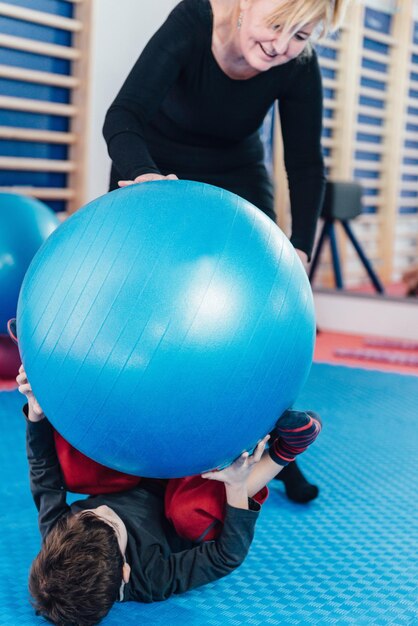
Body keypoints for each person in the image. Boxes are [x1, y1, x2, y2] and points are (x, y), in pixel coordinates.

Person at [103, 0, 346, 502]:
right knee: (139, 306)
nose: (282, 46)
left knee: (262, 315)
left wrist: (299, 247)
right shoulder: (195, 20)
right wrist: (143, 175)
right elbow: (124, 114)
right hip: (155, 161)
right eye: (277, 24)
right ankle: (136, 439)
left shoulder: (298, 64)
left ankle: (270, 448)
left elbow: (304, 163)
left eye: (300, 36)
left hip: (236, 168)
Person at [18, 365, 321, 626]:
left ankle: (60, 370)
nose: (103, 511)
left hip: (132, 464)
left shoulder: (60, 535)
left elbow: (44, 477)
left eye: (89, 514)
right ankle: (284, 452)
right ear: (125, 572)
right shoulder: (151, 579)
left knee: (71, 471)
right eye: (110, 523)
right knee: (191, 514)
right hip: (188, 482)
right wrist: (237, 485)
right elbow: (227, 556)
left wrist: (37, 412)